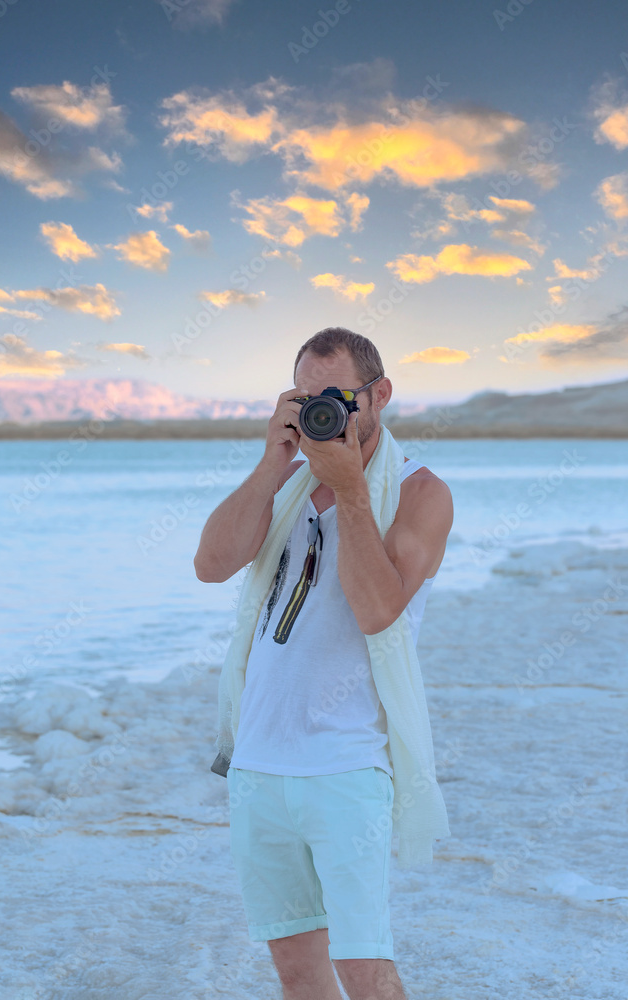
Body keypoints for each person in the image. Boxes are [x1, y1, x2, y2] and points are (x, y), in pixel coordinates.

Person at [194, 327, 453, 1000]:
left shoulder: (420, 493)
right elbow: (211, 566)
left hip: (346, 766)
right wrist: (272, 462)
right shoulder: (285, 484)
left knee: (364, 968)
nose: (322, 412)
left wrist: (351, 491)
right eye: (306, 398)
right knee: (297, 971)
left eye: (337, 397)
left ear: (380, 394)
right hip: (257, 765)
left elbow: (378, 610)